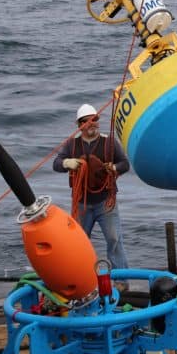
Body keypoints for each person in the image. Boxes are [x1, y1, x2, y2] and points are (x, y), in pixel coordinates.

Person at [53, 103, 131, 289]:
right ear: (78, 124)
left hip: (106, 202)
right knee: (79, 243)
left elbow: (125, 164)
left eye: (94, 119)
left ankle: (120, 282)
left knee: (114, 239)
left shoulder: (109, 143)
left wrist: (114, 168)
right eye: (85, 121)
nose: (91, 124)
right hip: (81, 203)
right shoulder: (72, 145)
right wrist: (66, 162)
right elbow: (56, 164)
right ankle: (81, 281)